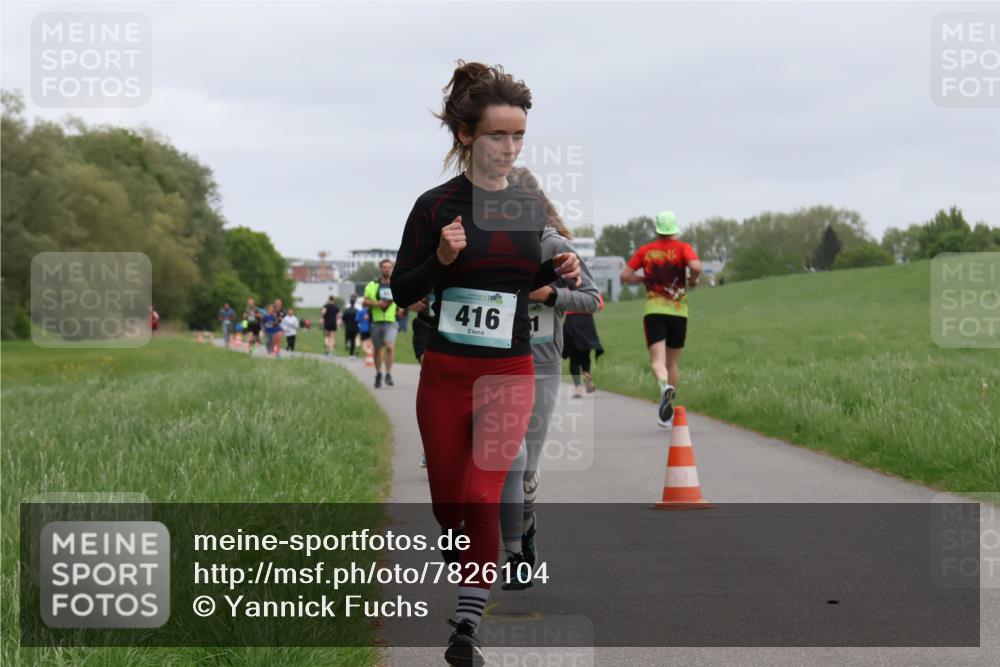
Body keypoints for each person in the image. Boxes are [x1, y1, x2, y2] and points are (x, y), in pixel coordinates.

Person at [389, 60, 580, 666]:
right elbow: (402, 290)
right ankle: (471, 558)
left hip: (509, 373)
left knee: (481, 490)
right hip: (445, 375)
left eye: (519, 135)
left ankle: (466, 626)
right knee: (450, 502)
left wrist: (563, 271)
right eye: (498, 134)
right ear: (468, 135)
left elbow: (533, 275)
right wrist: (442, 259)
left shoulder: (528, 209)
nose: (509, 146)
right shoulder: (433, 206)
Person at [499, 167, 601, 590]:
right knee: (504, 455)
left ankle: (525, 536)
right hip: (494, 364)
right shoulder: (488, 246)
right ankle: (507, 549)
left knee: (525, 468)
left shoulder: (553, 246)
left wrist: (549, 295)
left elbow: (592, 299)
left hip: (541, 364)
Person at [620, 210, 702, 427]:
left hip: (654, 311)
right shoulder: (683, 248)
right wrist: (692, 280)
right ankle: (669, 405)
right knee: (672, 361)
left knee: (657, 361)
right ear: (674, 228)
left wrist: (643, 279)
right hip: (678, 312)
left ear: (657, 228)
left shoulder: (646, 251)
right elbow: (695, 266)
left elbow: (624, 276)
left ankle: (663, 387)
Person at [363, 259, 399, 388]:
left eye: (389, 267)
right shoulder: (372, 285)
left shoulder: (396, 284)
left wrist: (400, 309)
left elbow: (402, 299)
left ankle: (388, 373)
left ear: (392, 268)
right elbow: (364, 302)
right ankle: (378, 373)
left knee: (389, 346)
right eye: (384, 267)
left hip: (391, 321)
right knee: (377, 350)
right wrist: (375, 304)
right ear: (381, 268)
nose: (387, 269)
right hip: (377, 321)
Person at [562, 297, 604, 399]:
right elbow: (600, 305)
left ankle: (578, 388)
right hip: (587, 321)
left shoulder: (567, 285)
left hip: (571, 321)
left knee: (573, 357)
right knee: (585, 354)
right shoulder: (589, 284)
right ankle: (586, 374)